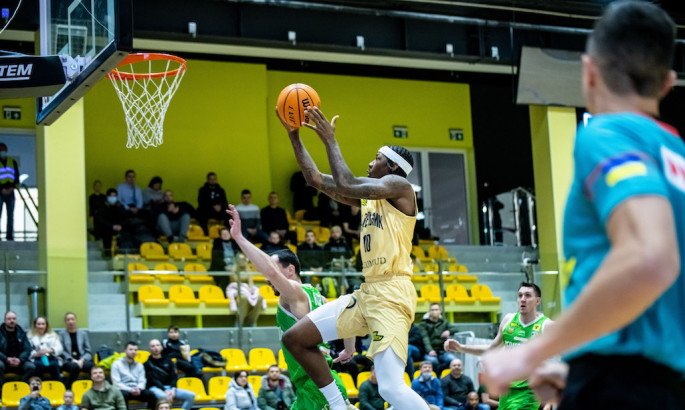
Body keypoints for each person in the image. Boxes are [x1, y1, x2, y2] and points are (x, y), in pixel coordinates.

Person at [481, 3, 685, 409]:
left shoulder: (607, 134)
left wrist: (531, 353)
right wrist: (577, 368)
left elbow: (652, 258)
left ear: (589, 72)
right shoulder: (675, 154)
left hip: (622, 384)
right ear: (667, 83)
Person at [279, 105, 428, 410]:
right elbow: (314, 179)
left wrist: (330, 140)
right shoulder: (370, 198)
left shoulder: (401, 187)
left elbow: (347, 182)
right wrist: (294, 135)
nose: (371, 162)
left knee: (390, 388)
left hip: (392, 294)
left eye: (377, 158)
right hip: (368, 292)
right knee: (295, 339)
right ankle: (339, 406)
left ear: (392, 167)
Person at [227, 205, 353, 410]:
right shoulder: (317, 295)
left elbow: (271, 272)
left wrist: (239, 238)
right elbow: (347, 314)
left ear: (290, 270)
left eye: (273, 268)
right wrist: (349, 348)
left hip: (316, 387)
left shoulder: (294, 292)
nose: (268, 278)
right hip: (315, 383)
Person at [445, 283, 552, 410]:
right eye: (520, 295)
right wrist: (461, 347)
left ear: (538, 301)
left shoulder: (546, 325)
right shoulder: (508, 320)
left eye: (528, 295)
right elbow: (491, 349)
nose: (523, 299)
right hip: (506, 391)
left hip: (528, 392)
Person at [144, 339, 195, 410]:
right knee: (164, 396)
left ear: (161, 347)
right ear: (149, 349)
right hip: (155, 388)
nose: (156, 348)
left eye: (157, 345)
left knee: (191, 395)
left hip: (170, 387)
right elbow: (153, 380)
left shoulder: (168, 360)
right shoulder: (147, 364)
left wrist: (173, 389)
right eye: (153, 346)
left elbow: (174, 376)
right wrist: (165, 390)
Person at [110, 341, 157, 410]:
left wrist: (139, 388)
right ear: (125, 350)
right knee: (122, 395)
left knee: (151, 395)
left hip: (137, 390)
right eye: (131, 349)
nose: (133, 352)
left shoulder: (140, 365)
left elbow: (142, 380)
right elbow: (116, 383)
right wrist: (130, 390)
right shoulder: (116, 364)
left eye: (135, 350)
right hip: (124, 390)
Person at [59, 312, 94, 389]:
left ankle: (93, 388)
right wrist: (72, 360)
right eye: (68, 320)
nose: (70, 321)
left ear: (76, 320)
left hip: (82, 360)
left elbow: (88, 351)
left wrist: (82, 360)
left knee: (93, 368)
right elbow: (61, 351)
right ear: (65, 322)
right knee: (75, 367)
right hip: (68, 361)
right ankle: (68, 388)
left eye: (72, 319)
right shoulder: (61, 334)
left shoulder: (83, 333)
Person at [0, 310, 36, 386]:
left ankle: (20, 386)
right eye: (9, 319)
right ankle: (2, 389)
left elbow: (27, 348)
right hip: (4, 361)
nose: (12, 321)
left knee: (31, 367)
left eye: (14, 318)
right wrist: (6, 359)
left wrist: (20, 359)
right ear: (5, 320)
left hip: (19, 361)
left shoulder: (22, 333)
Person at [419, 303, 458, 372]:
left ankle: (443, 374)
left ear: (440, 311)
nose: (434, 311)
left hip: (443, 351)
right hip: (428, 352)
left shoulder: (444, 322)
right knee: (433, 361)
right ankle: (437, 376)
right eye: (432, 310)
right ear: (429, 311)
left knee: (452, 359)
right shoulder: (423, 324)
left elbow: (455, 329)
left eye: (436, 309)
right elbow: (425, 338)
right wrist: (430, 350)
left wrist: (449, 331)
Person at [28, 316, 63, 382]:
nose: (41, 326)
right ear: (35, 325)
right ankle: (39, 386)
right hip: (37, 358)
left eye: (43, 324)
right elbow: (28, 350)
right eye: (38, 324)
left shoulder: (53, 335)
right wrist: (36, 354)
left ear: (46, 325)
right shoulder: (29, 336)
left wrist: (50, 350)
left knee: (54, 365)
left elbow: (60, 348)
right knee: (39, 366)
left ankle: (57, 386)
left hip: (51, 357)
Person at [0, 143, 18, 240]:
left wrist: (12, 188)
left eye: (3, 149)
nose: (2, 151)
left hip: (11, 192)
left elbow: (16, 176)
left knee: (10, 215)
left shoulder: (12, 162)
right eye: (0, 150)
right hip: (0, 192)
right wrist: (1, 189)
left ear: (6, 150)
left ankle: (10, 236)